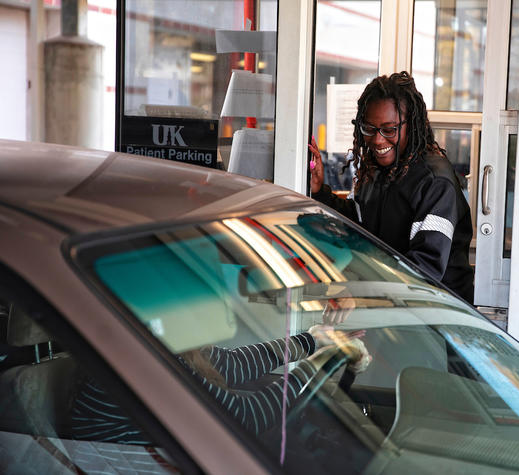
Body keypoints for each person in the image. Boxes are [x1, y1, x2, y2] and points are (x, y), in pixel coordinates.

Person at [309, 71, 474, 303]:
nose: (377, 140)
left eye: (389, 130)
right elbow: (356, 224)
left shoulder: (435, 182)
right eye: (369, 128)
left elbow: (424, 270)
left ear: (412, 125)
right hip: (392, 307)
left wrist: (360, 293)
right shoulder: (376, 170)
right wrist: (319, 192)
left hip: (440, 318)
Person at [70, 326, 370, 444]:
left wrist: (313, 339)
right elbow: (245, 416)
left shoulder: (164, 342)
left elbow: (231, 364)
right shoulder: (137, 363)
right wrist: (325, 358)